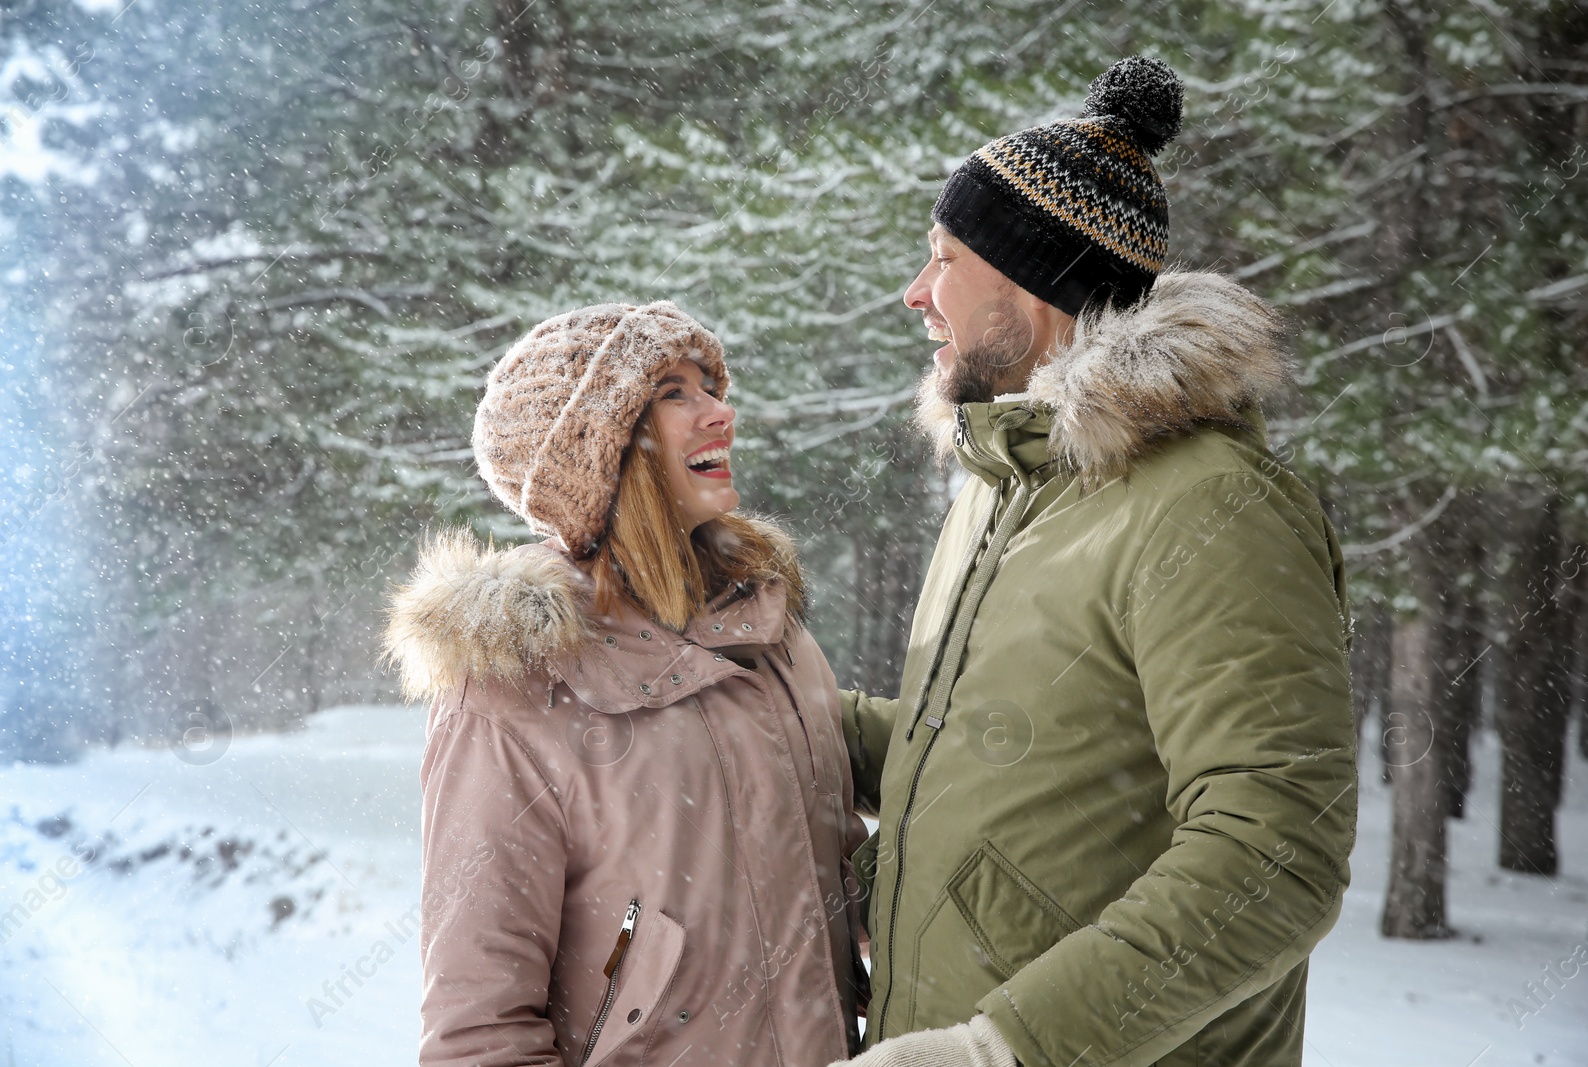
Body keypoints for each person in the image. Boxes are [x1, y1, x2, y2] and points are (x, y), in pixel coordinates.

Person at [830, 57, 1358, 1067]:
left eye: (942, 258)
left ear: (1028, 280)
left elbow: (1273, 854)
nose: (915, 294)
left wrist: (1002, 1047)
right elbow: (1003, 745)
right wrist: (785, 705)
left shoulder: (1210, 504)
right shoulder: (1007, 481)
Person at [388, 301, 868, 1067]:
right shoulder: (514, 689)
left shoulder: (773, 634)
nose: (721, 412)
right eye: (675, 393)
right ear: (599, 453)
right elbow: (479, 1033)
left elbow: (841, 889)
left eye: (710, 385)